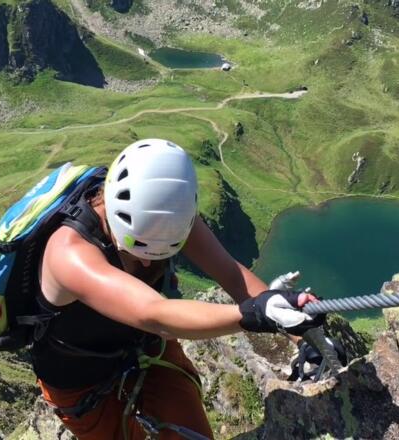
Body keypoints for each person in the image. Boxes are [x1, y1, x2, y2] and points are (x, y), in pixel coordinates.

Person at [32, 138, 323, 439]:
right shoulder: (68, 254)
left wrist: (304, 335)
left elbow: (233, 275)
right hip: (81, 384)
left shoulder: (169, 213)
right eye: (137, 253)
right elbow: (154, 313)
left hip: (145, 347)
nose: (146, 267)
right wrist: (250, 315)